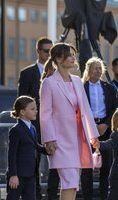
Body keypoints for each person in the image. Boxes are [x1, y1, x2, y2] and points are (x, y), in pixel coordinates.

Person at [39, 43, 100, 200]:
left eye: (74, 54)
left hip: (78, 139)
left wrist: (93, 135)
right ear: (59, 59)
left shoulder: (77, 81)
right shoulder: (49, 83)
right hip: (59, 141)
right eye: (70, 54)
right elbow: (45, 114)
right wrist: (49, 139)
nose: (74, 57)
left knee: (73, 183)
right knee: (70, 181)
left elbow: (86, 110)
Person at [17, 37, 53, 200]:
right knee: (34, 164)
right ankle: (36, 195)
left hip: (53, 124)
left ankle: (53, 194)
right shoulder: (27, 73)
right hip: (35, 125)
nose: (49, 54)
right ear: (38, 51)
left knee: (56, 162)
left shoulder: (58, 73)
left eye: (52, 51)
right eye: (46, 51)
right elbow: (21, 101)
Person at [81, 57, 118, 200]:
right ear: (88, 70)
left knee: (106, 166)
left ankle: (104, 197)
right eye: (95, 68)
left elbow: (115, 107)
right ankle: (87, 197)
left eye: (99, 68)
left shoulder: (108, 87)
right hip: (87, 128)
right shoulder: (81, 87)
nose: (98, 70)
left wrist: (106, 124)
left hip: (105, 129)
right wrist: (90, 125)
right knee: (86, 167)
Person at [6, 96, 49, 200]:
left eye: (36, 109)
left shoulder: (32, 128)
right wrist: (13, 175)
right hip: (18, 175)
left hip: (31, 173)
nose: (36, 111)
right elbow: (11, 154)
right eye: (33, 109)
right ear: (22, 112)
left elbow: (35, 145)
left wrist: (47, 150)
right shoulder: (16, 130)